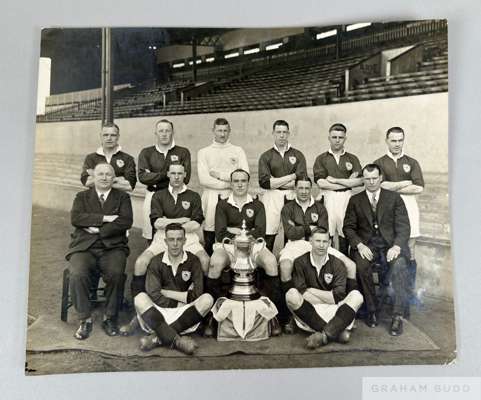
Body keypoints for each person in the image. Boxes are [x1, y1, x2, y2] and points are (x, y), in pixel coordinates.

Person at [120, 163, 209, 335]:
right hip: (162, 237)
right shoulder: (159, 195)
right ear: (168, 174)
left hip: (188, 238)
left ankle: (206, 318)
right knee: (140, 262)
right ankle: (136, 317)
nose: (176, 177)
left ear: (185, 175)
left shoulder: (193, 196)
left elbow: (196, 223)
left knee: (206, 261)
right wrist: (182, 219)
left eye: (180, 173)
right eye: (173, 173)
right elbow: (157, 223)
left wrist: (170, 221)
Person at [205, 168, 282, 336]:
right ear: (231, 184)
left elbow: (260, 231)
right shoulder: (223, 204)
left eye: (243, 181)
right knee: (214, 264)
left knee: (271, 263)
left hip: (253, 245)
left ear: (248, 183)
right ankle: (211, 319)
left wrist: (236, 231)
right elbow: (220, 233)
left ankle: (273, 317)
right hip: (229, 246)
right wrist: (243, 234)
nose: (240, 184)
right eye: (236, 181)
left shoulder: (257, 204)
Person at [278, 175, 358, 333]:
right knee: (286, 266)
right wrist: (309, 227)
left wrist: (300, 227)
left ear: (311, 189)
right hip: (294, 245)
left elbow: (322, 232)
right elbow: (291, 233)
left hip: (318, 243)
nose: (303, 191)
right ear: (295, 189)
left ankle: (347, 312)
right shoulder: (288, 208)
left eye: (307, 188)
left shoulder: (320, 208)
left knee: (351, 265)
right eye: (300, 188)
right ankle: (288, 316)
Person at [66, 163, 133, 340]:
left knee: (116, 273)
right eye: (100, 174)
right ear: (93, 178)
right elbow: (76, 218)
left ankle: (110, 317)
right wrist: (104, 218)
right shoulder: (82, 196)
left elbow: (125, 221)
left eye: (108, 175)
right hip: (84, 247)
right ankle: (85, 319)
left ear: (113, 178)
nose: (104, 177)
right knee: (77, 273)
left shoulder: (122, 197)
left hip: (112, 246)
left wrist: (98, 230)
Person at [343, 164, 411, 336]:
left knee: (400, 266)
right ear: (363, 179)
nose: (371, 182)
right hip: (367, 245)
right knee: (361, 265)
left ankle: (397, 316)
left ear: (381, 178)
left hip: (390, 246)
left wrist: (396, 246)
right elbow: (348, 228)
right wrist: (359, 245)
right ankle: (371, 310)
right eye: (367, 178)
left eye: (374, 178)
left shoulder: (394, 198)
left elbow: (404, 226)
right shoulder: (355, 200)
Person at [133, 223, 214, 354]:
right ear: (165, 241)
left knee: (207, 299)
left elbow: (197, 294)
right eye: (171, 240)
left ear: (185, 241)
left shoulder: (193, 261)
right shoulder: (156, 261)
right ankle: (177, 341)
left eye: (179, 239)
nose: (175, 244)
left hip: (185, 314)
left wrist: (166, 292)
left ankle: (157, 337)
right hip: (159, 314)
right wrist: (181, 298)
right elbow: (154, 294)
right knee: (140, 299)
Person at [374, 126, 424, 314]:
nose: (397, 144)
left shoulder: (412, 162)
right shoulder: (379, 162)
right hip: (386, 211)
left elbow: (419, 188)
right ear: (387, 140)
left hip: (409, 210)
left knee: (409, 251)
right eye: (393, 140)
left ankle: (407, 297)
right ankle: (388, 296)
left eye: (400, 140)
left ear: (404, 140)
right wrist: (404, 183)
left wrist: (391, 186)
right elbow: (378, 185)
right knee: (389, 249)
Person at [286, 228, 364, 348]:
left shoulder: (337, 263)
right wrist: (328, 296)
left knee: (357, 296)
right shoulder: (300, 262)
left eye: (325, 241)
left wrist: (311, 290)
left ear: (329, 243)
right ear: (310, 241)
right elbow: (302, 294)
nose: (321, 245)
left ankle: (323, 336)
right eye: (318, 241)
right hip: (309, 312)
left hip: (336, 312)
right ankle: (335, 332)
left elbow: (337, 297)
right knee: (291, 294)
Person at [197, 118, 249, 255]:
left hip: (232, 197)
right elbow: (204, 179)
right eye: (219, 130)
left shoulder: (238, 151)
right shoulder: (204, 152)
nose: (222, 134)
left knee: (231, 234)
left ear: (229, 131)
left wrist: (220, 174)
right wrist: (231, 183)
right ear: (213, 131)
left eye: (225, 130)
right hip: (211, 197)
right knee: (210, 234)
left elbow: (245, 175)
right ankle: (209, 271)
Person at [313, 123, 363, 255]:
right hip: (328, 197)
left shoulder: (352, 158)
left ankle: (344, 266)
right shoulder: (321, 158)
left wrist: (335, 181)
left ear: (345, 138)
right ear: (329, 138)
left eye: (340, 137)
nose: (337, 140)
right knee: (326, 233)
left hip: (346, 197)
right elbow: (321, 183)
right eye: (334, 137)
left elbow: (360, 181)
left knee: (345, 232)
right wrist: (347, 183)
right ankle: (327, 266)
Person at [138, 119, 191, 241]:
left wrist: (153, 175)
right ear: (156, 133)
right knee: (151, 234)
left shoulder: (183, 152)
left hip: (176, 196)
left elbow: (185, 178)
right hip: (153, 195)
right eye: (161, 131)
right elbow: (142, 177)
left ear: (172, 132)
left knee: (175, 234)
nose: (164, 134)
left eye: (167, 131)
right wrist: (167, 174)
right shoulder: (147, 152)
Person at [258, 120, 307, 251]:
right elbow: (265, 183)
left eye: (284, 132)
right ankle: (266, 267)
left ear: (289, 134)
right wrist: (292, 176)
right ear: (273, 133)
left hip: (292, 197)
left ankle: (288, 266)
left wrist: (276, 181)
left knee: (291, 235)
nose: (282, 135)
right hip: (271, 197)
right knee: (268, 233)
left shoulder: (298, 155)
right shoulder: (266, 156)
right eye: (278, 132)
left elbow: (301, 181)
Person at [80, 123, 137, 192]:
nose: (109, 138)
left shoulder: (128, 159)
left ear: (118, 137)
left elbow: (130, 186)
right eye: (105, 135)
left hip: (118, 200)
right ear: (101, 136)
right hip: (95, 200)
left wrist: (96, 177)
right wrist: (117, 179)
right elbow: (86, 182)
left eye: (113, 135)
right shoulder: (90, 158)